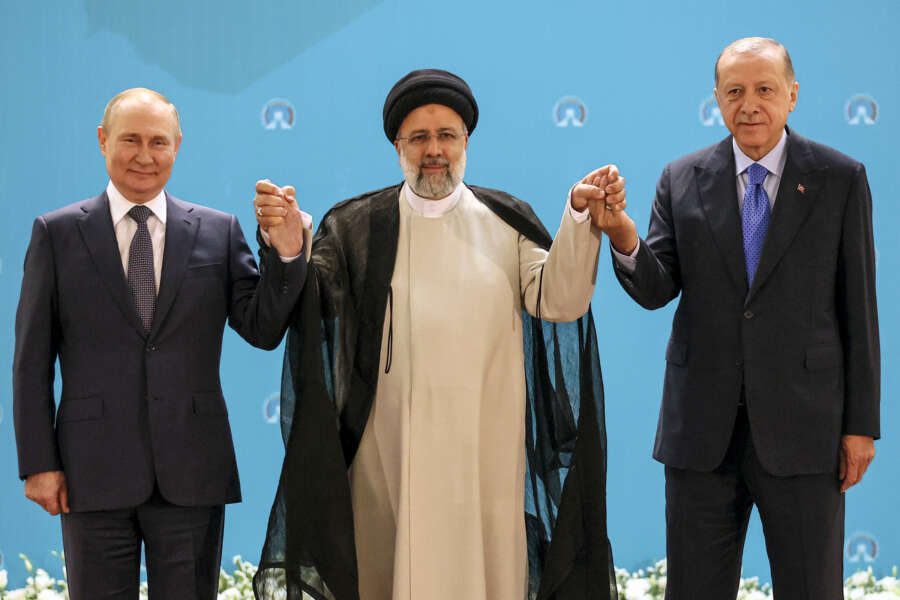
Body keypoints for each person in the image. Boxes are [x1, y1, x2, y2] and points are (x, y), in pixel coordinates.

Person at [252, 69, 620, 600]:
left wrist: (580, 217)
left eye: (446, 135)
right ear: (397, 146)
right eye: (418, 137)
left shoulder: (506, 222)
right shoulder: (357, 226)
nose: (434, 150)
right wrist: (290, 243)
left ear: (466, 141)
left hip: (485, 452)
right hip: (388, 453)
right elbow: (314, 303)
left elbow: (558, 299)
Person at [594, 37, 880, 598]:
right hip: (701, 433)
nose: (749, 105)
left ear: (792, 95)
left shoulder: (840, 178)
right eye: (735, 92)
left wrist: (860, 425)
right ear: (717, 101)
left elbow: (859, 308)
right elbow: (657, 288)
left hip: (806, 429)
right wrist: (622, 234)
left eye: (765, 90)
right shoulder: (681, 179)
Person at [12, 87, 307, 599]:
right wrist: (39, 462)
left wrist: (285, 256)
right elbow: (30, 361)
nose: (144, 156)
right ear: (103, 141)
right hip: (91, 470)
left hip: (192, 469)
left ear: (177, 147)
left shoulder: (218, 232)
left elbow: (262, 329)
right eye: (130, 140)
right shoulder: (56, 234)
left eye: (158, 142)